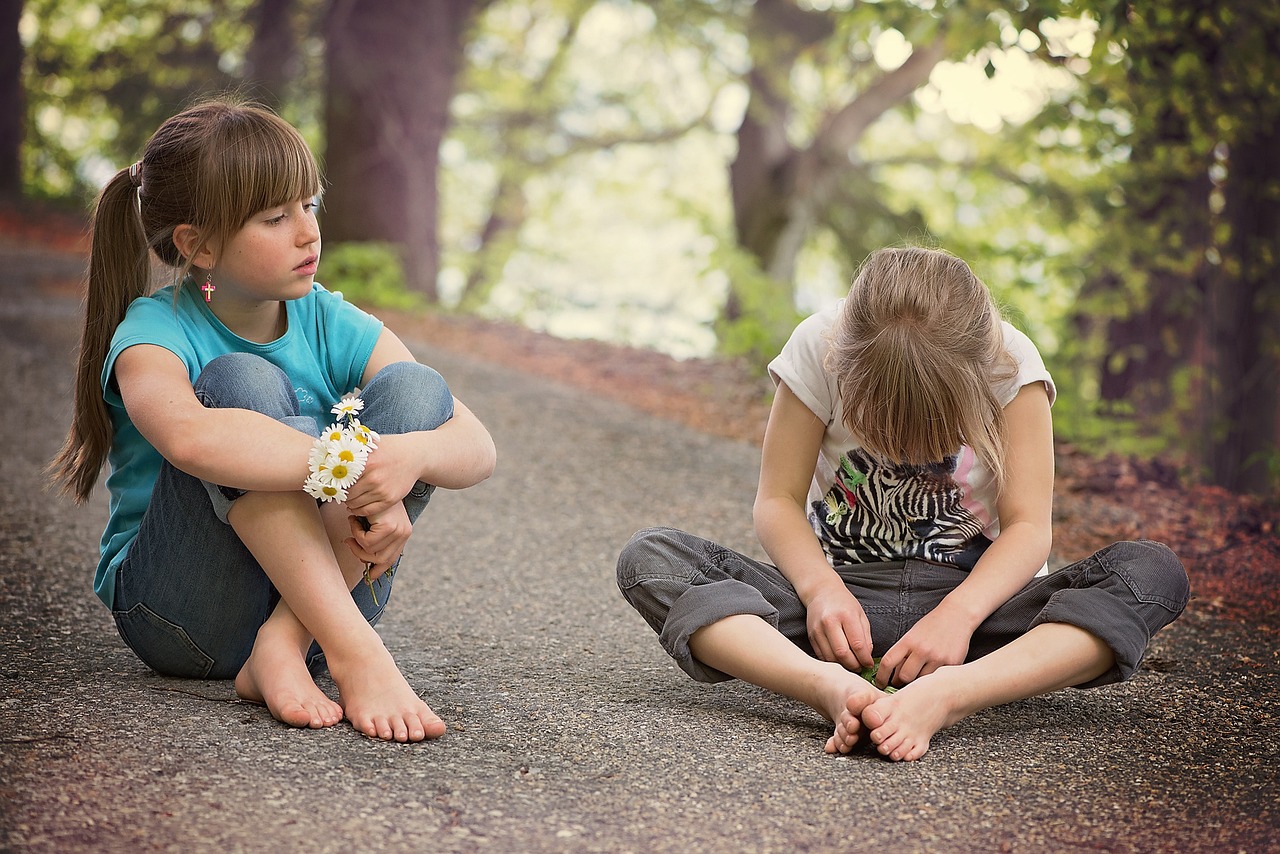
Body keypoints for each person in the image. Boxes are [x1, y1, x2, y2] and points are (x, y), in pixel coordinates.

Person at [616, 246, 1188, 761]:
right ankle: (824, 686)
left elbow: (1028, 529)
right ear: (847, 364)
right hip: (839, 612)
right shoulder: (819, 346)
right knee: (650, 559)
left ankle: (949, 696)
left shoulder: (1011, 364)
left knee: (1151, 574)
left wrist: (959, 618)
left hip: (983, 617)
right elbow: (779, 500)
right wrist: (820, 592)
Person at [49, 99, 496, 743]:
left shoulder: (326, 317)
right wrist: (351, 470)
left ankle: (282, 647)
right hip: (183, 615)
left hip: (315, 608)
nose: (308, 232)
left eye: (309, 206)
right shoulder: (154, 331)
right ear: (197, 245)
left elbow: (475, 444)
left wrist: (408, 462)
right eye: (275, 217)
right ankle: (357, 654)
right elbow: (192, 439)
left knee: (416, 390)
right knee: (240, 383)